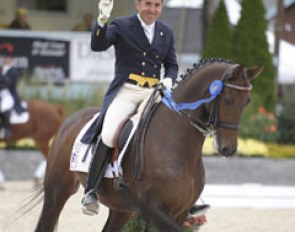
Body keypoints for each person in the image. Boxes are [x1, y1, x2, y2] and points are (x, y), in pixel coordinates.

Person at [81, 0, 178, 215]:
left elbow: (171, 64)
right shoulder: (122, 25)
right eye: (148, 4)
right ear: (137, 4)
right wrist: (102, 19)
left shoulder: (166, 32)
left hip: (153, 93)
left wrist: (170, 78)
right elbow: (98, 46)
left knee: (175, 131)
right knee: (108, 134)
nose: (152, 10)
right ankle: (91, 190)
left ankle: (184, 194)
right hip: (127, 91)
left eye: (157, 5)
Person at [0, 44, 25, 138]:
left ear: (12, 59)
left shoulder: (13, 71)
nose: (6, 59)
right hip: (1, 94)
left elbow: (9, 84)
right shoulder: (2, 69)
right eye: (5, 57)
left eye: (8, 58)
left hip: (8, 94)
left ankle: (7, 130)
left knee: (3, 107)